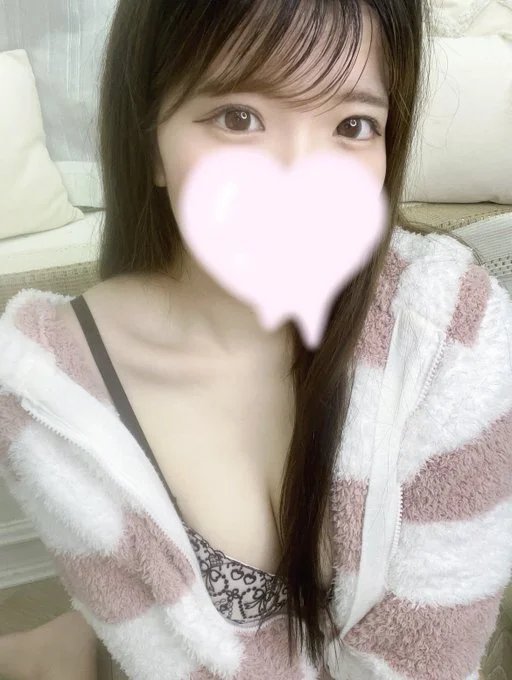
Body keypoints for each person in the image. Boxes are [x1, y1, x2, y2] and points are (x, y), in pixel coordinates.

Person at [0, 0, 510, 678]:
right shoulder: (48, 396)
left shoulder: (452, 335)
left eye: (352, 125)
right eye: (238, 117)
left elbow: (429, 660)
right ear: (150, 143)